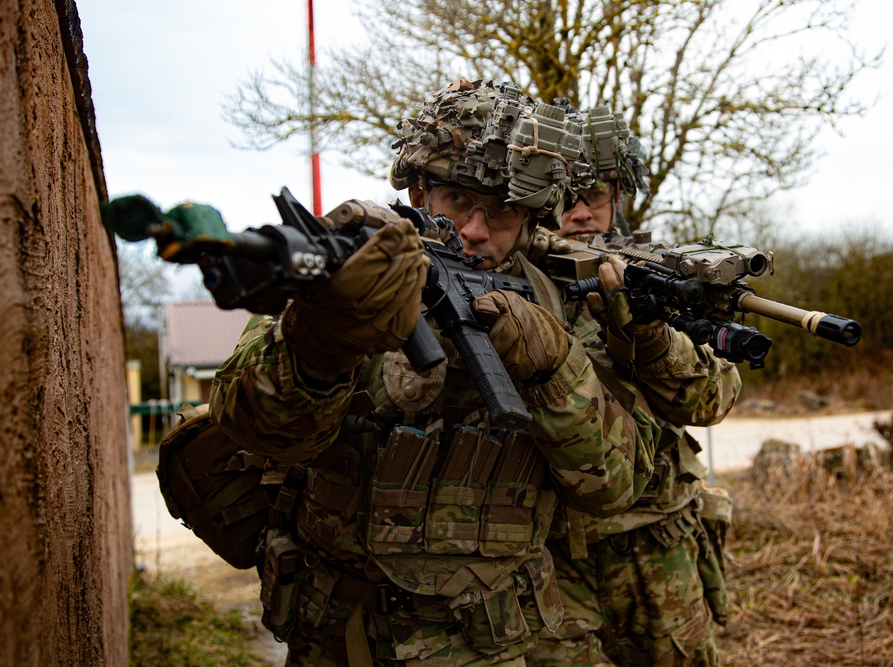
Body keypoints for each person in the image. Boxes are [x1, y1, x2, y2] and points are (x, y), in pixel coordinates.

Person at [208, 78, 664, 667]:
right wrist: (319, 345)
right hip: (340, 630)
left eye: (500, 209)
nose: (475, 229)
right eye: (456, 201)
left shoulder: (566, 297)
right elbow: (251, 427)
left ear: (530, 214)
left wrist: (555, 369)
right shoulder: (353, 263)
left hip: (492, 638)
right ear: (419, 189)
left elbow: (615, 486)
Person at [525, 104, 743, 666]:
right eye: (563, 197)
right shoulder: (510, 276)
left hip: (654, 538)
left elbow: (713, 398)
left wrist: (650, 337)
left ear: (619, 196)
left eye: (593, 196)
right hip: (544, 545)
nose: (578, 214)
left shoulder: (664, 275)